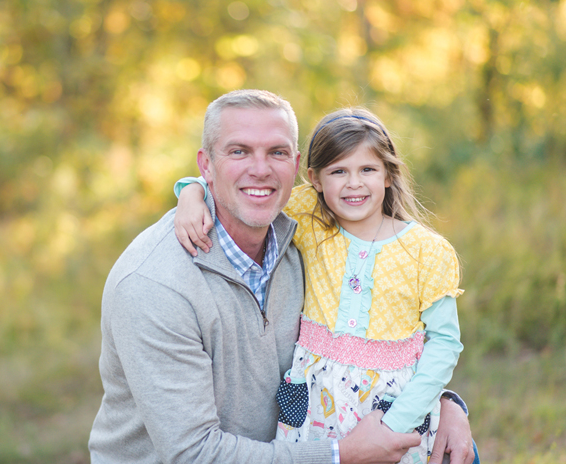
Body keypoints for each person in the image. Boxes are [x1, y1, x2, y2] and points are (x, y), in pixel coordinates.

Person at [89, 90, 474, 464]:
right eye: (239, 151)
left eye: (275, 152)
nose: (260, 169)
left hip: (304, 437)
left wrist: (445, 403)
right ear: (206, 165)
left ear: (294, 167)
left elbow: (386, 342)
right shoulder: (154, 286)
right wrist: (344, 456)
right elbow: (193, 454)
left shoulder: (298, 236)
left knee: (459, 454)